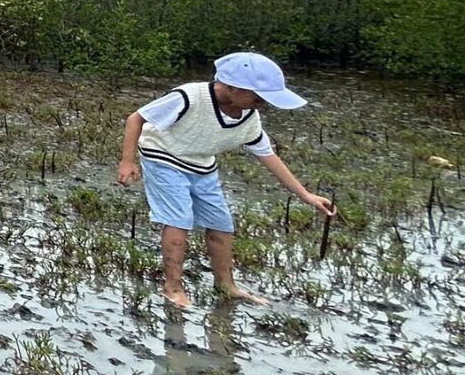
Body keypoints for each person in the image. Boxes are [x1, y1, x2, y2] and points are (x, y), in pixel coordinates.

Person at [118, 51, 335, 308]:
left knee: (221, 223)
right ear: (231, 87)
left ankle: (226, 286)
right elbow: (136, 118)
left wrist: (305, 195)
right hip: (162, 154)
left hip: (201, 163)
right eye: (257, 97)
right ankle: (173, 288)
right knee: (178, 219)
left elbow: (268, 156)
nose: (262, 104)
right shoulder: (188, 96)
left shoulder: (248, 117)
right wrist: (128, 161)